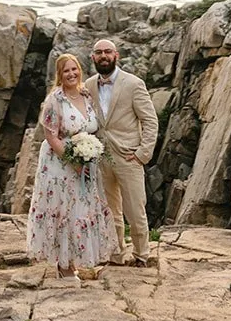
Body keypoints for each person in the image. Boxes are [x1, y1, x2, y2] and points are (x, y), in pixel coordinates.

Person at [26, 53, 117, 279]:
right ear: (59, 75)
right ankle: (64, 266)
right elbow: (51, 136)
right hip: (60, 165)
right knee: (64, 212)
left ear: (80, 71)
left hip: (86, 163)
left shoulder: (86, 95)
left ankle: (76, 261)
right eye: (66, 71)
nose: (71, 74)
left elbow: (93, 126)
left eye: (74, 69)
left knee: (82, 211)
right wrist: (72, 160)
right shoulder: (55, 100)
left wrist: (87, 155)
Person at [83, 38, 159, 267]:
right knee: (109, 210)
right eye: (99, 52)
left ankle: (142, 254)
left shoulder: (133, 84)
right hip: (100, 156)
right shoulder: (88, 86)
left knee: (135, 209)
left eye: (108, 52)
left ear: (117, 55)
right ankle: (116, 254)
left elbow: (150, 120)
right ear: (93, 57)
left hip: (129, 156)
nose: (103, 56)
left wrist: (142, 154)